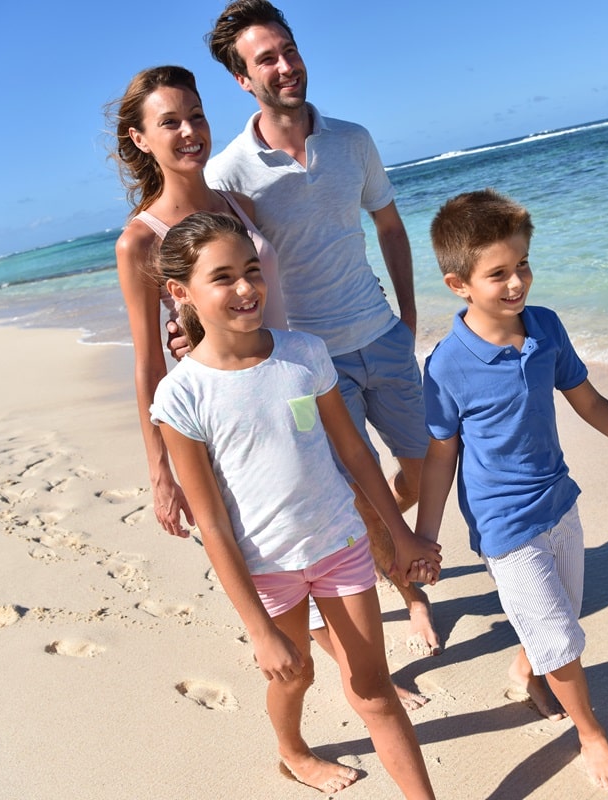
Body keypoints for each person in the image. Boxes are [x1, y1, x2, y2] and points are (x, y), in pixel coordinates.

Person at [415, 189, 608, 793]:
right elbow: (441, 457)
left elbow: (590, 402)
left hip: (559, 503)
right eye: (499, 273)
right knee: (563, 639)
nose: (517, 282)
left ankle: (528, 668)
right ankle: (591, 735)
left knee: (560, 619)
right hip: (503, 525)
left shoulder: (545, 328)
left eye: (523, 264)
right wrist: (425, 535)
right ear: (458, 283)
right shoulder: (446, 365)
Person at [149, 211, 440, 797]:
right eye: (223, 277)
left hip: (341, 546)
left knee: (375, 691)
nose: (245, 288)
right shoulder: (182, 396)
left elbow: (356, 456)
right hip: (267, 570)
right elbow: (211, 522)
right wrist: (258, 629)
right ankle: (292, 748)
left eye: (252, 271)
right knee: (295, 673)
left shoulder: (303, 353)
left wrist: (399, 537)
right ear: (182, 292)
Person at [191, 0, 439, 654]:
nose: (286, 66)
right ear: (244, 80)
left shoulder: (352, 139)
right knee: (358, 485)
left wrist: (407, 315)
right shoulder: (229, 173)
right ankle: (409, 589)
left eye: (289, 49)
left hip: (382, 335)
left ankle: (394, 542)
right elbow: (224, 270)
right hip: (308, 359)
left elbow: (388, 224)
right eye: (266, 59)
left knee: (422, 468)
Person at [109, 65, 287, 538]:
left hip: (290, 380)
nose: (189, 131)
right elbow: (149, 364)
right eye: (169, 122)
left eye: (197, 116)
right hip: (225, 408)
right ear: (141, 138)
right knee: (261, 542)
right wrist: (160, 470)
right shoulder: (140, 242)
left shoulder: (239, 207)